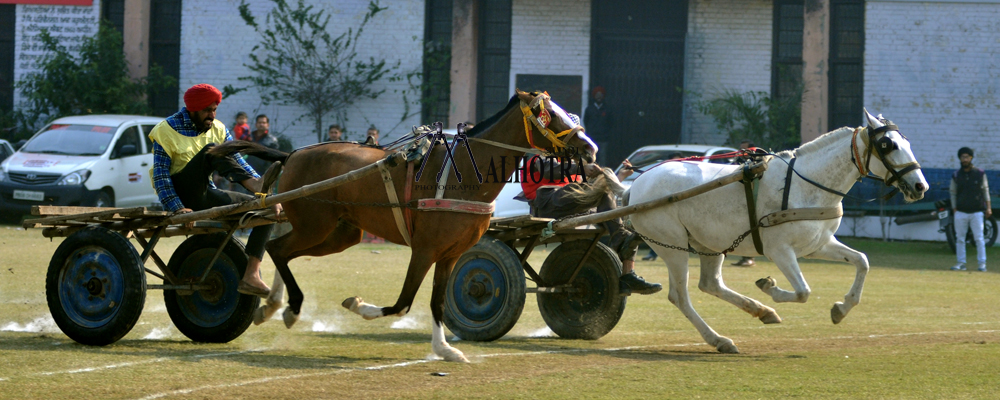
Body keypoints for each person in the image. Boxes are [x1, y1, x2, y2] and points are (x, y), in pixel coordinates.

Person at [148, 83, 280, 297]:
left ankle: (251, 275)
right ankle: (256, 187)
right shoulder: (166, 130)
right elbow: (161, 176)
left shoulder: (218, 128)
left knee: (264, 209)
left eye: (214, 109)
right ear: (193, 109)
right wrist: (177, 208)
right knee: (211, 151)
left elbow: (236, 161)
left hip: (205, 192)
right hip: (181, 193)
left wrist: (262, 191)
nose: (212, 114)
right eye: (207, 110)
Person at [522, 155, 662, 295]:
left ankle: (628, 275)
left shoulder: (570, 163)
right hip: (548, 203)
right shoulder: (539, 156)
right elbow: (550, 170)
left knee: (624, 226)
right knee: (620, 228)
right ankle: (621, 238)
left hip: (571, 206)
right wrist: (582, 168)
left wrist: (618, 177)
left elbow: (597, 197)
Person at [950, 147, 991, 272]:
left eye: (967, 157)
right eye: (963, 157)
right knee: (960, 239)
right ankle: (961, 263)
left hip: (977, 212)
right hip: (960, 212)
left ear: (971, 158)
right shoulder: (956, 175)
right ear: (960, 159)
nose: (965, 159)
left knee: (979, 238)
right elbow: (953, 192)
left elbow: (985, 190)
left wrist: (988, 208)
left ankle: (982, 264)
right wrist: (954, 209)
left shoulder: (980, 173)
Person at [731, 139, 757, 267]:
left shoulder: (756, 161)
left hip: (752, 200)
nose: (741, 152)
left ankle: (749, 258)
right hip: (738, 199)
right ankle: (745, 257)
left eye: (744, 150)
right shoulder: (739, 160)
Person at [584, 86, 612, 165]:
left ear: (603, 96)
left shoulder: (607, 109)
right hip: (592, 138)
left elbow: (611, 123)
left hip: (604, 138)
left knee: (603, 157)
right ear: (594, 96)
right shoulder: (589, 109)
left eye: (601, 95)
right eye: (597, 95)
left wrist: (606, 133)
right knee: (592, 156)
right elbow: (586, 121)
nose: (599, 97)